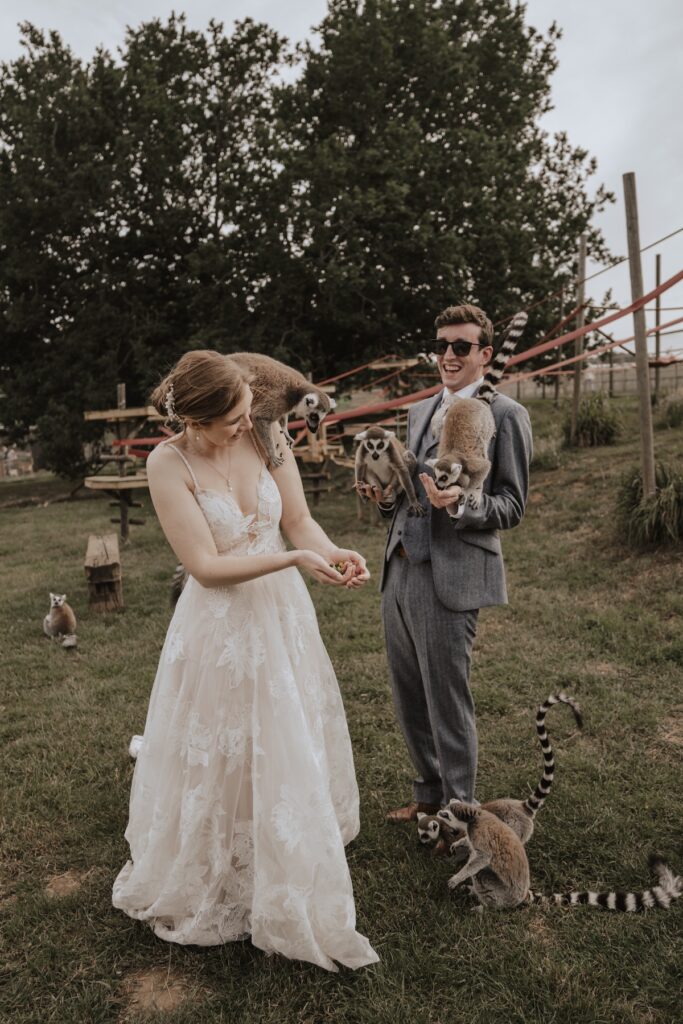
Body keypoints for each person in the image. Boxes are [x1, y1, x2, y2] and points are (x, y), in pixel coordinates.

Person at [113, 350, 378, 973]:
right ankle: (223, 861)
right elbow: (205, 569)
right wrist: (290, 560)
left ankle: (282, 847)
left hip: (281, 614)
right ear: (196, 420)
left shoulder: (265, 432)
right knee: (226, 741)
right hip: (219, 626)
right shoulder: (166, 463)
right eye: (232, 418)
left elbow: (298, 519)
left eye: (249, 413)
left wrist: (334, 553)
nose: (247, 425)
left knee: (283, 730)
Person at [361, 304, 532, 823]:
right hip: (401, 567)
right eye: (441, 345)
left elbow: (512, 505)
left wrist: (459, 504)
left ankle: (461, 813)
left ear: (485, 353)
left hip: (452, 574)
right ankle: (428, 796)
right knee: (408, 694)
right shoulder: (417, 413)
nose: (448, 355)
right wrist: (383, 495)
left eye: (461, 346)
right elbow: (405, 491)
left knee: (447, 701)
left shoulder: (506, 415)